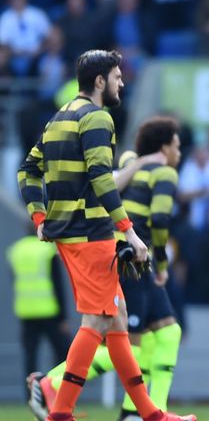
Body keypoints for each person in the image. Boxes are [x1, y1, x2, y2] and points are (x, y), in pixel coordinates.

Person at [18, 49, 194, 421]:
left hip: (68, 233)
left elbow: (26, 171)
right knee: (96, 322)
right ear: (100, 81)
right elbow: (101, 178)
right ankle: (60, 411)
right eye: (117, 77)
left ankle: (150, 414)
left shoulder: (59, 118)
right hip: (91, 233)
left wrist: (39, 217)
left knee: (117, 322)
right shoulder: (98, 117)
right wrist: (129, 232)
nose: (122, 83)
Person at [7, 228, 70, 396]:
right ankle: (55, 390)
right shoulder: (47, 251)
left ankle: (31, 396)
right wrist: (63, 317)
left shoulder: (16, 250)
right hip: (49, 311)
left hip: (26, 311)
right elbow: (58, 285)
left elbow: (15, 280)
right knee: (62, 352)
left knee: (30, 356)